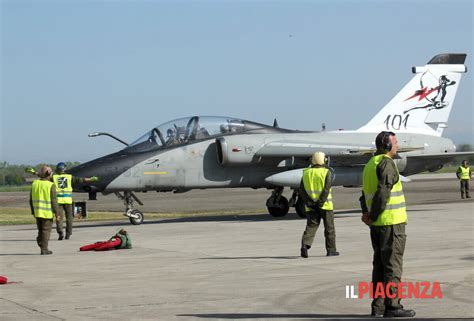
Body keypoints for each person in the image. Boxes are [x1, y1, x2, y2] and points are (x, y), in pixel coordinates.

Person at [360, 131, 415, 318]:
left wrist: (367, 214)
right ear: (387, 146)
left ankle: (378, 307)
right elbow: (384, 192)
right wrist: (374, 214)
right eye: (395, 142)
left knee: (379, 267)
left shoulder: (370, 164)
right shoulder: (386, 163)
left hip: (377, 225)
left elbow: (364, 194)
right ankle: (393, 306)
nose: (398, 145)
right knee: (392, 266)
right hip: (391, 223)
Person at [299, 151, 339, 258]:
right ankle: (331, 250)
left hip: (310, 206)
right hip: (325, 206)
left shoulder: (306, 173)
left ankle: (305, 245)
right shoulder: (327, 173)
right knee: (329, 228)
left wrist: (310, 202)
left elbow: (302, 190)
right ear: (324, 160)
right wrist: (320, 203)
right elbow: (326, 189)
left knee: (311, 226)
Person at [53, 162, 98, 240]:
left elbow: (43, 176)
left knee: (59, 217)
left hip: (58, 200)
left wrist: (34, 172)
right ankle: (68, 234)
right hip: (68, 200)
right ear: (65, 169)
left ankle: (60, 232)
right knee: (69, 218)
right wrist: (91, 179)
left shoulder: (54, 177)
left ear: (57, 169)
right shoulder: (69, 177)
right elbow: (81, 180)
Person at [29, 166, 59, 255]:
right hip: (47, 212)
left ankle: (40, 240)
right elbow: (54, 201)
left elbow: (30, 199)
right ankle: (44, 248)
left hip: (37, 212)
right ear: (48, 173)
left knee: (40, 230)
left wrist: (33, 211)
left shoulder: (34, 183)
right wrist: (57, 214)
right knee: (46, 230)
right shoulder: (50, 185)